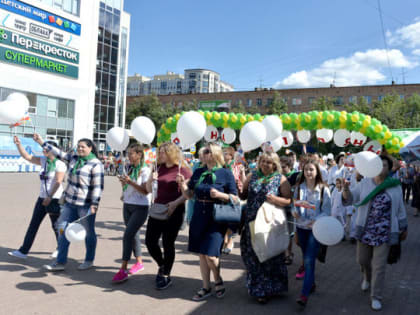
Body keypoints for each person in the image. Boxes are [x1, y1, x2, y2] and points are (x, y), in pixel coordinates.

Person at [342, 155, 408, 311]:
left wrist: (403, 227)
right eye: (379, 164)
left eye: (385, 165)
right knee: (362, 260)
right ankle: (366, 276)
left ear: (389, 168)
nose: (381, 167)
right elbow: (350, 199)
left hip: (385, 232)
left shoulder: (395, 186)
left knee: (379, 266)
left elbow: (400, 209)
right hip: (365, 230)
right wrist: (345, 189)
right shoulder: (365, 183)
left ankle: (376, 297)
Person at [33, 133, 104, 272]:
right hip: (70, 203)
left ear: (90, 148)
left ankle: (89, 260)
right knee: (62, 229)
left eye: (83, 147)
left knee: (89, 233)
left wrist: (95, 204)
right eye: (78, 146)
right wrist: (41, 141)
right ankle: (60, 262)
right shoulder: (73, 158)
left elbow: (97, 186)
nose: (80, 149)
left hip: (85, 205)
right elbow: (57, 152)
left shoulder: (96, 164)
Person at [177, 143, 238, 301]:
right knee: (202, 254)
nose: (202, 153)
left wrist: (220, 195)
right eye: (203, 151)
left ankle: (218, 280)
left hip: (216, 217)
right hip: (198, 216)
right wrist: (182, 184)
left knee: (211, 255)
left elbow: (236, 198)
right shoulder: (198, 171)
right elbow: (189, 195)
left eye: (206, 151)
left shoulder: (226, 173)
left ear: (214, 154)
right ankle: (206, 287)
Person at [239, 152, 292, 304]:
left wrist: (275, 199)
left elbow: (288, 200)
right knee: (254, 256)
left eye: (268, 162)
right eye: (263, 161)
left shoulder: (280, 179)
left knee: (270, 256)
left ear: (275, 164)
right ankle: (259, 288)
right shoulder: (252, 176)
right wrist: (239, 189)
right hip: (252, 222)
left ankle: (272, 287)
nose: (265, 165)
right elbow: (243, 196)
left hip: (270, 224)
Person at [8, 136, 66, 259]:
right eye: (43, 148)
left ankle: (60, 249)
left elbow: (58, 182)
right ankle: (23, 251)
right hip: (42, 198)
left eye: (46, 148)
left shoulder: (60, 164)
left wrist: (49, 196)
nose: (43, 150)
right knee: (33, 224)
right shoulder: (43, 161)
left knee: (56, 226)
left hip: (54, 198)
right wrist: (18, 145)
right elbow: (27, 157)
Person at [145, 142, 191, 290]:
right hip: (157, 209)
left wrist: (175, 202)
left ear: (171, 153)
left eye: (163, 152)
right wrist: (151, 179)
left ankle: (166, 274)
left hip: (174, 210)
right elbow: (148, 190)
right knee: (150, 242)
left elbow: (188, 195)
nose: (160, 155)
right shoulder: (158, 167)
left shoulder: (183, 170)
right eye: (160, 152)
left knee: (167, 243)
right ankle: (162, 264)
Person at [292, 159, 331, 308]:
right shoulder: (298, 188)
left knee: (308, 260)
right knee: (306, 257)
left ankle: (304, 295)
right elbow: (294, 206)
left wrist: (317, 221)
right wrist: (294, 212)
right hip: (301, 228)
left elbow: (327, 211)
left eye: (311, 170)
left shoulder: (323, 189)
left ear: (317, 172)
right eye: (306, 169)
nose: (308, 172)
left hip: (316, 229)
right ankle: (311, 283)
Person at [112, 143, 151, 283]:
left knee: (127, 235)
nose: (129, 156)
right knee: (133, 234)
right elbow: (126, 187)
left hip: (140, 207)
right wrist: (123, 182)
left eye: (131, 153)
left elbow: (146, 191)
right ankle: (139, 262)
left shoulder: (145, 170)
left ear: (139, 155)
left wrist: (130, 182)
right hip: (127, 205)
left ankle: (123, 269)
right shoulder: (128, 168)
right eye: (128, 153)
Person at [222, 146, 246, 254]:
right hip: (222, 194)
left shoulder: (238, 166)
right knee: (223, 218)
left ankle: (229, 239)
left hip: (235, 194)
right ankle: (226, 238)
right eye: (223, 153)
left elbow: (242, 182)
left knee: (232, 219)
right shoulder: (221, 166)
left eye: (226, 153)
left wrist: (242, 173)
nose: (223, 155)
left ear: (231, 155)